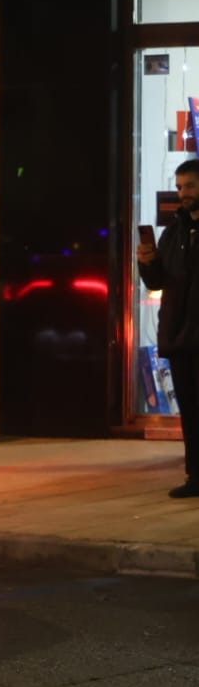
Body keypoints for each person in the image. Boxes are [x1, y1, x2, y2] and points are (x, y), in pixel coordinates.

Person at [137, 157, 199, 498]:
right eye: (179, 187)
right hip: (178, 336)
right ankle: (195, 477)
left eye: (189, 186)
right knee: (189, 412)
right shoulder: (174, 231)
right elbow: (159, 281)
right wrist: (147, 264)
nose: (183, 193)